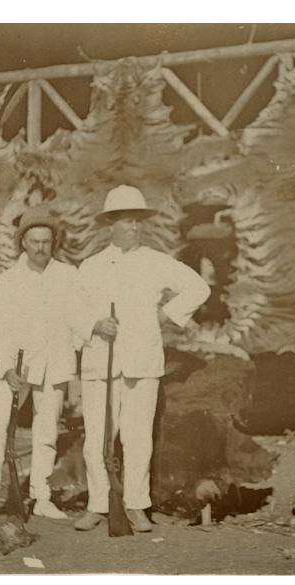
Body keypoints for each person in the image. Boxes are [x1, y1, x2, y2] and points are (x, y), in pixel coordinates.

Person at [71, 185, 210, 533]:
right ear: (111, 225)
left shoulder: (156, 263)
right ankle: (99, 504)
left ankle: (135, 506)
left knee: (137, 437)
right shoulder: (90, 267)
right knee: (98, 438)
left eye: (138, 222)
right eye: (128, 222)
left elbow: (199, 288)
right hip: (100, 362)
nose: (135, 228)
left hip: (142, 362)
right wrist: (95, 324)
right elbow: (72, 310)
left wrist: (165, 314)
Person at [0, 204, 77, 523]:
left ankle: (40, 496)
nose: (41, 247)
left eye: (46, 241)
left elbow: (78, 317)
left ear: (53, 243)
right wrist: (6, 368)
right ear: (23, 243)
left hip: (55, 361)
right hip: (17, 366)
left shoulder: (68, 276)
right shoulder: (8, 280)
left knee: (46, 431)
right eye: (34, 242)